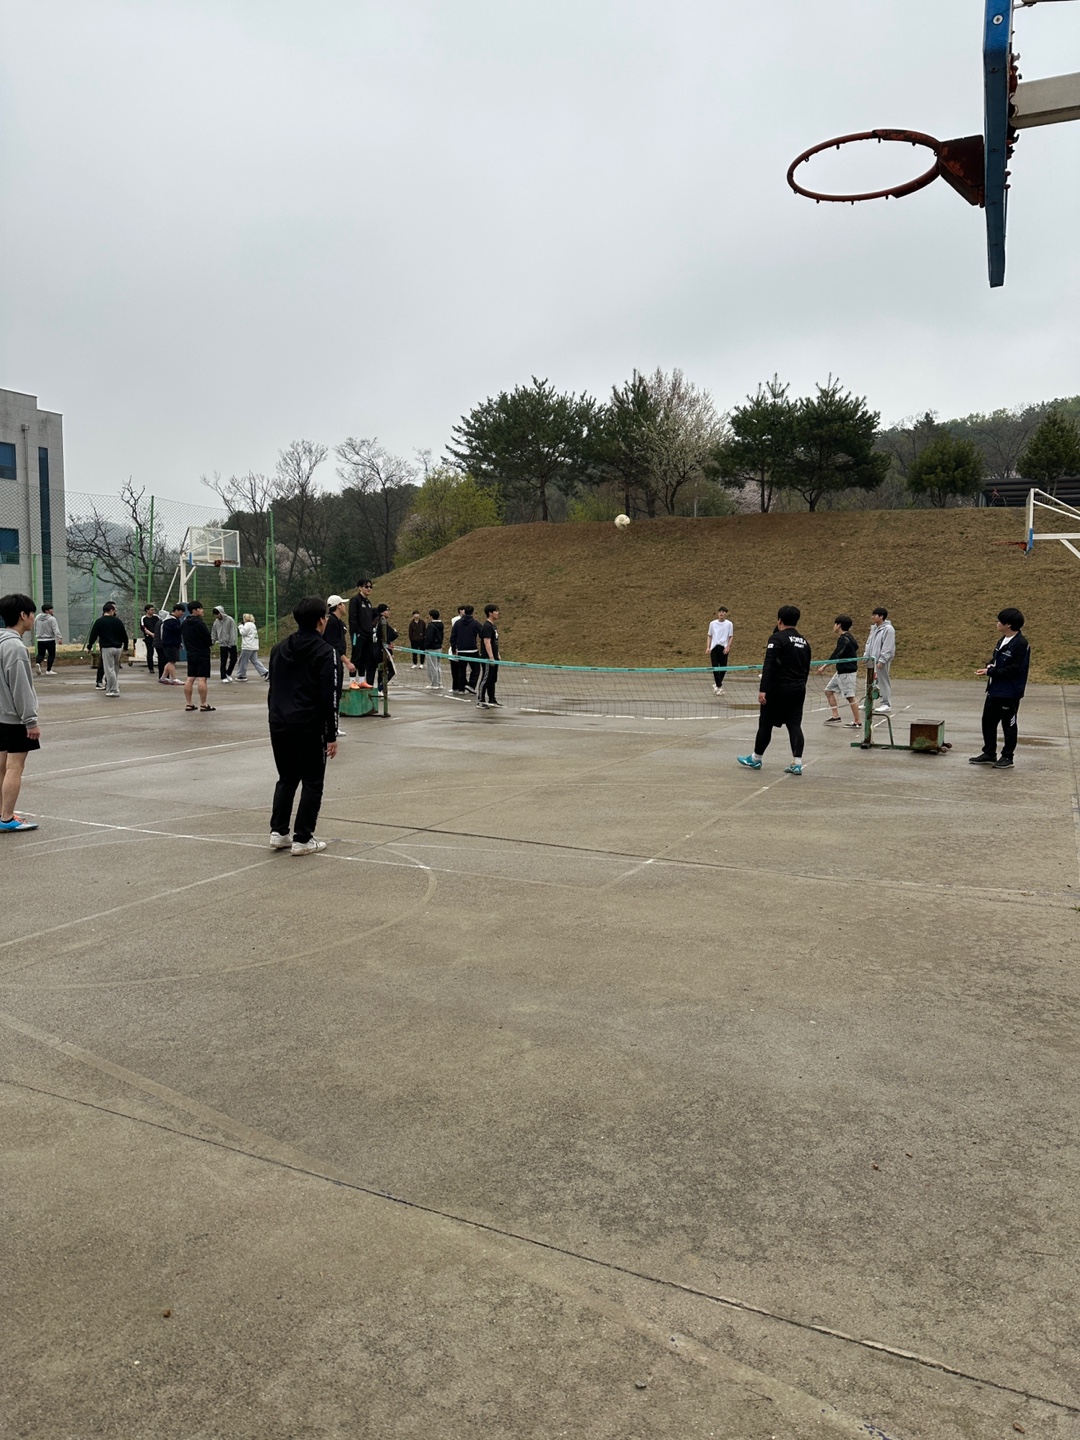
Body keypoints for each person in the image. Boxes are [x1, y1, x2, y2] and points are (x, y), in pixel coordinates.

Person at [268, 595, 338, 856]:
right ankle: (303, 838)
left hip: (279, 723)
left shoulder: (279, 649)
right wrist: (331, 734)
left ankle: (279, 832)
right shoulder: (326, 652)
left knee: (286, 778)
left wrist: (274, 716)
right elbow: (330, 696)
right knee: (312, 781)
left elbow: (273, 689)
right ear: (321, 620)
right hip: (309, 725)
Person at [737, 605, 811, 775]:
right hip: (798, 689)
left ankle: (756, 758)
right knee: (794, 724)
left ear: (779, 620)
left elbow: (769, 664)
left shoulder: (777, 638)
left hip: (777, 689)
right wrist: (801, 686)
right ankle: (797, 763)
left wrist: (763, 689)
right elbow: (806, 669)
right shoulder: (805, 642)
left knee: (765, 723)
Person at [0, 593, 41, 831]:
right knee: (15, 767)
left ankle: (2, 813)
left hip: (0, 716)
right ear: (23, 615)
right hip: (14, 719)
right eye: (32, 613)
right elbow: (21, 688)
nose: (33, 618)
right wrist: (30, 720)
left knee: (2, 767)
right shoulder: (15, 647)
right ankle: (7, 818)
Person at [970, 607, 1030, 769]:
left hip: (1009, 692)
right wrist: (989, 666)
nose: (997, 623)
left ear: (1008, 624)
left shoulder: (1020, 644)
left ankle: (1007, 757)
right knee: (988, 722)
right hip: (994, 690)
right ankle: (989, 753)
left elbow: (1015, 668)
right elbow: (996, 660)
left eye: (999, 621)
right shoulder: (1003, 640)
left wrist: (991, 671)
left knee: (1008, 725)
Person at [822, 615, 861, 728]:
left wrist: (824, 666)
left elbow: (837, 654)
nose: (833, 626)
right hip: (840, 671)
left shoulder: (844, 639)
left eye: (835, 624)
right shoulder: (849, 637)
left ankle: (857, 721)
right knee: (828, 691)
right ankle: (835, 716)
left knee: (850, 697)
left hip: (847, 672)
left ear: (839, 625)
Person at [323, 596, 354, 735]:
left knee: (336, 694)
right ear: (338, 606)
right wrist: (347, 662)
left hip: (336, 661)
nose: (344, 607)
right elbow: (334, 646)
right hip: (333, 662)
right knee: (334, 694)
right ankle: (332, 728)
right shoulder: (332, 622)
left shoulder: (338, 622)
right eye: (342, 604)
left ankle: (332, 726)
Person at [84, 602, 128, 698]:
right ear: (111, 610)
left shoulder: (99, 621)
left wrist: (89, 646)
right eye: (114, 610)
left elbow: (93, 635)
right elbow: (124, 634)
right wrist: (126, 646)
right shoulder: (118, 621)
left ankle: (113, 690)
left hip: (107, 648)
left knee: (109, 669)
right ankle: (114, 686)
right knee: (115, 669)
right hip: (118, 648)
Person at [181, 600, 214, 711]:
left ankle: (189, 703)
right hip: (202, 652)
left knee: (190, 678)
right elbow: (207, 638)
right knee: (202, 678)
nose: (202, 610)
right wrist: (210, 643)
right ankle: (204, 704)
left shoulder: (184, 623)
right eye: (200, 608)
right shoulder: (199, 623)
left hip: (190, 652)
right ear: (194, 610)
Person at [864, 607, 896, 715]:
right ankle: (868, 702)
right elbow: (869, 643)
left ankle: (886, 704)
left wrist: (882, 660)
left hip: (881, 660)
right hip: (872, 659)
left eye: (875, 615)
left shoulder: (888, 629)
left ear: (881, 617)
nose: (872, 617)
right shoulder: (874, 628)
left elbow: (888, 646)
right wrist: (866, 655)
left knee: (883, 681)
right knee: (870, 681)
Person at [347, 579, 375, 686]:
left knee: (365, 657)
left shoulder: (368, 602)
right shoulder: (355, 600)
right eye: (366, 586)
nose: (369, 589)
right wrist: (357, 632)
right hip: (358, 634)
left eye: (370, 587)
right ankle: (352, 681)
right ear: (360, 588)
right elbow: (353, 618)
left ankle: (362, 680)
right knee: (356, 656)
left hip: (368, 634)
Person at [451, 604, 482, 697]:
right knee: (476, 669)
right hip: (472, 650)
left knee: (461, 670)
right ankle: (471, 685)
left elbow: (453, 636)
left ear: (464, 612)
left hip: (461, 650)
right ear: (472, 612)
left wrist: (454, 648)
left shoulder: (457, 623)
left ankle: (461, 689)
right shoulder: (475, 623)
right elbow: (482, 634)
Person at [477, 604, 501, 709]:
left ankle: (492, 699)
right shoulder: (486, 626)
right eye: (496, 611)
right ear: (490, 613)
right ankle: (480, 700)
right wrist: (491, 657)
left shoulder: (493, 626)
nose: (498, 613)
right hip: (487, 658)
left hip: (494, 657)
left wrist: (497, 655)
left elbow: (495, 642)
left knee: (493, 679)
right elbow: (487, 642)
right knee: (485, 679)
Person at [706, 606, 733, 695]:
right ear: (718, 613)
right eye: (720, 612)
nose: (721, 613)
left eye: (723, 612)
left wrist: (728, 647)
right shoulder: (712, 623)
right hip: (714, 647)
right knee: (715, 667)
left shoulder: (729, 624)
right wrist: (708, 647)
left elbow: (730, 636)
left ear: (726, 614)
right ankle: (719, 687)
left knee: (723, 668)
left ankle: (717, 685)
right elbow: (709, 635)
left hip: (723, 648)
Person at [234, 613, 269, 680]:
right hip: (254, 646)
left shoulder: (247, 625)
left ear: (246, 619)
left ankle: (241, 675)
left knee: (243, 660)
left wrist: (240, 626)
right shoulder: (253, 625)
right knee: (255, 660)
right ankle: (265, 672)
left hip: (247, 646)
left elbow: (242, 632)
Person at [158, 604, 184, 685]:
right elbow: (177, 630)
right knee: (171, 662)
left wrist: (179, 643)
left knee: (171, 661)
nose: (182, 613)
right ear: (176, 610)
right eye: (181, 611)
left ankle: (163, 677)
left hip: (171, 644)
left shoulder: (173, 619)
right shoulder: (170, 620)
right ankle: (174, 678)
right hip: (170, 644)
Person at [373, 603, 397, 691]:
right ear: (382, 612)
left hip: (377, 649)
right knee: (391, 671)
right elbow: (387, 638)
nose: (389, 612)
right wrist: (390, 653)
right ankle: (380, 688)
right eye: (387, 610)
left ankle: (381, 689)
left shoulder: (377, 621)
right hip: (381, 650)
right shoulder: (382, 623)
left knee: (381, 671)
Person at [33, 603, 62, 676]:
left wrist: (37, 634)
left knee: (41, 654)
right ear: (46, 611)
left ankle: (38, 663)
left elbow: (35, 626)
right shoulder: (52, 619)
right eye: (50, 609)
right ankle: (48, 670)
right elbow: (55, 629)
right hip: (50, 639)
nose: (52, 610)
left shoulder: (37, 617)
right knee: (51, 655)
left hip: (40, 640)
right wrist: (59, 637)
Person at [211, 606, 238, 683]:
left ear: (221, 612)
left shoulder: (230, 620)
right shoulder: (216, 622)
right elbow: (214, 632)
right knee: (223, 660)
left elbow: (233, 631)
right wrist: (213, 640)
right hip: (222, 644)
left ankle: (228, 673)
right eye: (215, 615)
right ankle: (223, 676)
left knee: (234, 659)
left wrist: (231, 642)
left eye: (218, 614)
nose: (217, 616)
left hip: (231, 643)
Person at [448, 605, 468, 695]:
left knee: (462, 670)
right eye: (463, 610)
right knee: (455, 669)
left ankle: (464, 686)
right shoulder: (455, 620)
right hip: (455, 648)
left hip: (464, 649)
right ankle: (456, 686)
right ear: (460, 611)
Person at [424, 609, 444, 689]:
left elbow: (429, 638)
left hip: (431, 649)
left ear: (431, 616)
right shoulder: (441, 625)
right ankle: (439, 683)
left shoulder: (431, 626)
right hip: (439, 647)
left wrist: (425, 646)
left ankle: (434, 684)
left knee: (431, 667)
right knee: (438, 666)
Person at [140, 605, 160, 675]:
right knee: (150, 652)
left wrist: (157, 634)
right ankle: (151, 668)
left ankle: (160, 666)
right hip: (149, 637)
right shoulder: (144, 618)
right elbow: (144, 628)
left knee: (160, 652)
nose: (153, 611)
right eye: (151, 610)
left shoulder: (156, 617)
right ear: (147, 610)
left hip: (157, 637)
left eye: (153, 610)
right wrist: (151, 634)